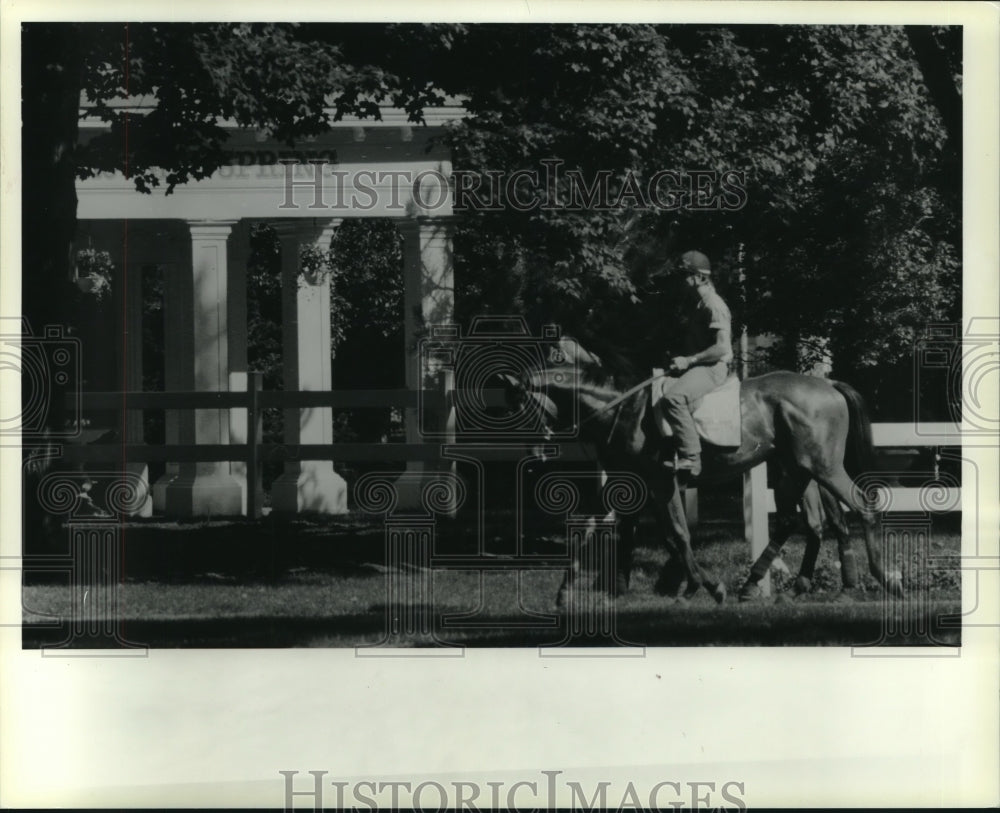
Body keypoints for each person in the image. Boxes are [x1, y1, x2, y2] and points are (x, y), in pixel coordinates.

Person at [660, 250, 733, 479]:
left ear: (700, 277)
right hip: (699, 367)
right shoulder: (697, 304)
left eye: (686, 275)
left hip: (713, 368)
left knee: (673, 398)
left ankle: (691, 458)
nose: (682, 280)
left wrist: (689, 360)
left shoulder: (714, 304)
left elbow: (722, 348)